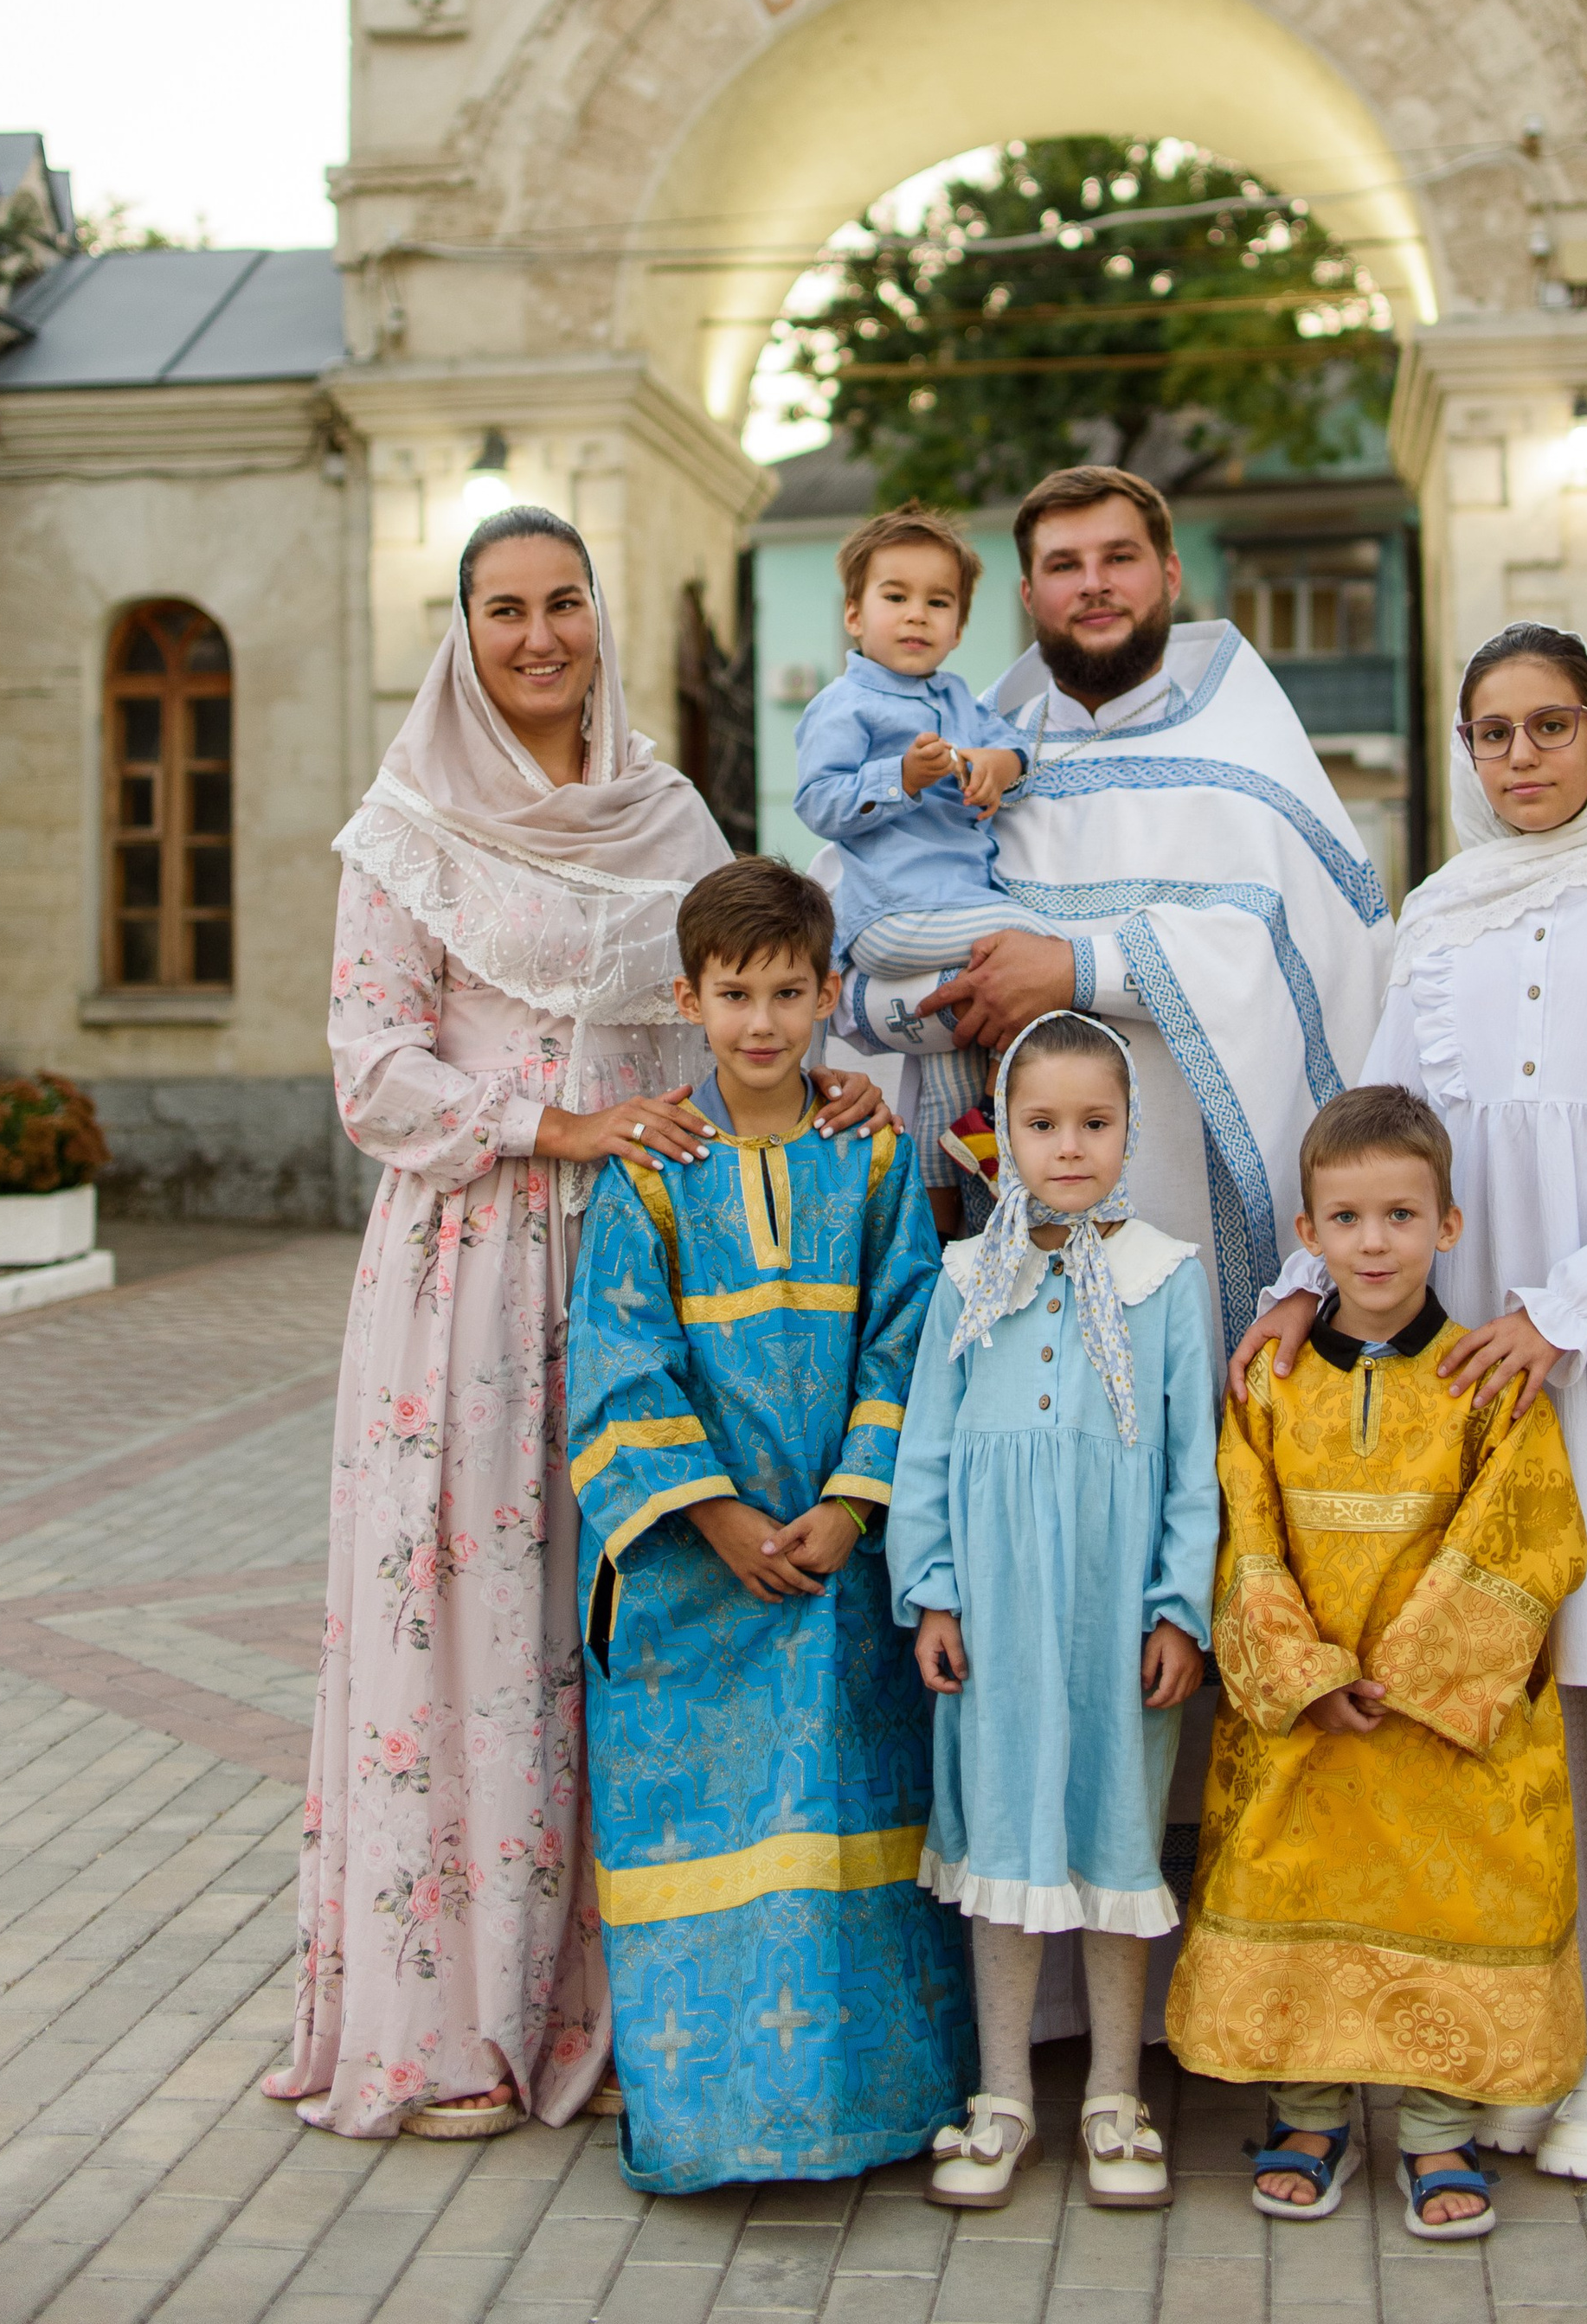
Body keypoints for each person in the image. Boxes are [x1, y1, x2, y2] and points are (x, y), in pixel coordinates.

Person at [266, 509, 889, 2143]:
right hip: (474, 1267)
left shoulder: (667, 809)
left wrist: (812, 1079)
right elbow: (371, 1065)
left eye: (563, 605)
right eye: (502, 611)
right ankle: (458, 2026)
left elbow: (726, 987)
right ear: (460, 634)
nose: (538, 637)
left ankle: (628, 2012)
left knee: (621, 1614)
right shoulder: (405, 829)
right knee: (476, 1627)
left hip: (652, 1271)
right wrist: (557, 1131)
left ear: (600, 618)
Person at [1230, 623, 1587, 2183]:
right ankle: (1542, 2017)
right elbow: (1377, 1119)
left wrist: (1569, 1313)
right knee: (1520, 1673)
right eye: (1495, 733)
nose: (1523, 759)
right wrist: (1295, 1278)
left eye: (1552, 728)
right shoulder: (1445, 914)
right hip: (1475, 1347)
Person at [566, 855, 974, 2193]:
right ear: (688, 996)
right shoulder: (651, 1172)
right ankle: (709, 2124)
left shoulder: (869, 1152)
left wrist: (856, 1509)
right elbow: (616, 1364)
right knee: (718, 1841)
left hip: (841, 1566)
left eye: (787, 991)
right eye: (733, 993)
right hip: (702, 1582)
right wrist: (725, 1516)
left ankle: (875, 2109)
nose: (759, 1021)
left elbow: (909, 1338)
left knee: (850, 1820)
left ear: (829, 994)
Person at [835, 465, 1393, 1359]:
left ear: (1170, 574)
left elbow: (1310, 958)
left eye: (1119, 557)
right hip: (1013, 1232)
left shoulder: (1248, 762)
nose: (1092, 583)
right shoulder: (971, 764)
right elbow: (851, 946)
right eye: (1064, 565)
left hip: (1204, 1237)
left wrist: (1072, 969)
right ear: (1028, 595)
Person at [1168, 1082, 1587, 2244]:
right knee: (1295, 1877)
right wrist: (1303, 1673)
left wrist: (1410, 1676)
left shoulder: (1487, 1377)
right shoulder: (1270, 1378)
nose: (1375, 1240)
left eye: (1401, 1214)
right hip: (1309, 1713)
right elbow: (1243, 1531)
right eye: (1347, 1218)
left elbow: (1528, 1537)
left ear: (1446, 1224)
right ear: (1308, 1236)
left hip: (1441, 1720)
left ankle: (1439, 2124)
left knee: (1452, 1890)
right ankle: (1306, 2114)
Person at [885, 1010, 1220, 2214]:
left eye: (1094, 1121)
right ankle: (1006, 2091)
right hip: (997, 1607)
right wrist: (931, 1588)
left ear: (1129, 1129)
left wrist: (1179, 1607)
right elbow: (924, 1442)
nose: (1068, 1146)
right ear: (1005, 1134)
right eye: (1042, 1123)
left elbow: (1193, 1468)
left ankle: (1117, 2093)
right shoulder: (970, 1276)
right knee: (1004, 1838)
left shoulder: (1166, 1278)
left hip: (1113, 1603)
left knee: (1114, 1823)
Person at [794, 503, 1041, 1231]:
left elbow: (1015, 752)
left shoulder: (959, 698)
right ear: (853, 613)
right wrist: (897, 778)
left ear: (960, 626)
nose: (916, 615)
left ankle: (936, 1244)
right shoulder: (845, 705)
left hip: (949, 914)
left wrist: (1000, 762)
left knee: (950, 1069)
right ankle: (1014, 1082)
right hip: (892, 916)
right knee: (1041, 943)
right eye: (895, 596)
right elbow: (817, 802)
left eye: (938, 602)